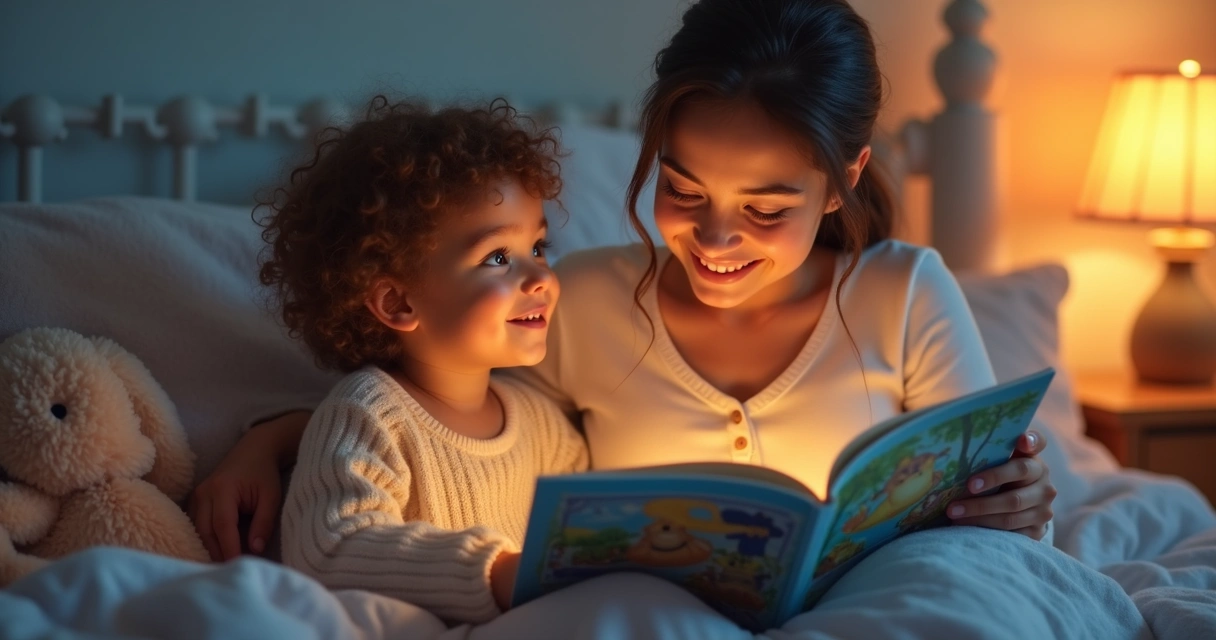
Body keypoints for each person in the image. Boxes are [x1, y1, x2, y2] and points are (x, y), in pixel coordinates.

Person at [192, 0, 1055, 589]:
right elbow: (442, 406)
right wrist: (274, 440)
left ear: (843, 181)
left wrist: (1022, 508)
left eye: (764, 208)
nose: (715, 241)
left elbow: (1003, 546)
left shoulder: (904, 294)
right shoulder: (583, 301)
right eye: (682, 191)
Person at [216, 96, 589, 625]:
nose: (540, 278)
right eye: (499, 258)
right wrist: (497, 573)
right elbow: (332, 548)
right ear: (398, 303)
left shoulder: (544, 427)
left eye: (540, 247)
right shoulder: (368, 414)